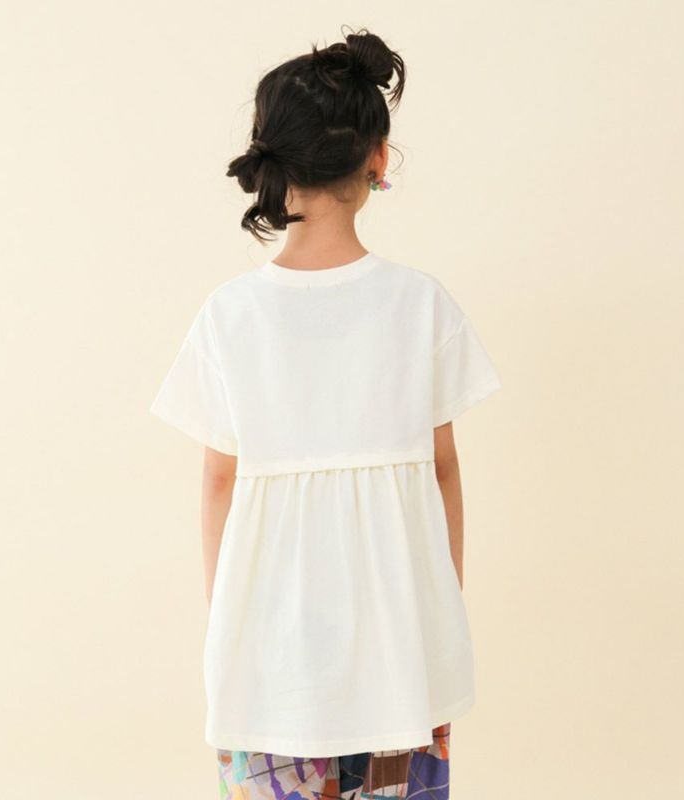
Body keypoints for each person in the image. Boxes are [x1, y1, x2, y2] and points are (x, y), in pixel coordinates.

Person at [150, 26, 502, 800]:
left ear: (274, 163)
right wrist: (440, 604)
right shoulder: (420, 305)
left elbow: (218, 483)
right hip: (402, 652)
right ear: (378, 159)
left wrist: (229, 617)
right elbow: (443, 471)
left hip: (271, 661)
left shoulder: (230, 316)